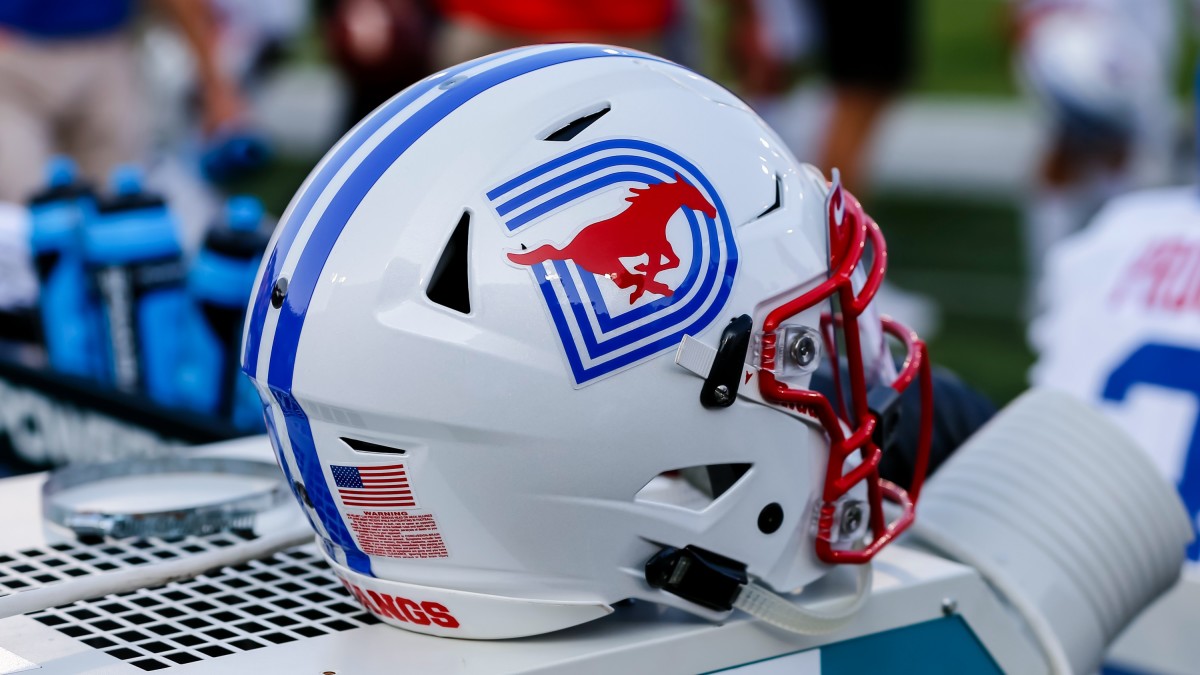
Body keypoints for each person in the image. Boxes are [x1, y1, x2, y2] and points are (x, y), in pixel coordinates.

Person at [1013, 0, 1179, 309]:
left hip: (1130, 66)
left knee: (1128, 170)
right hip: (1067, 56)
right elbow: (1017, 22)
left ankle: (1122, 291)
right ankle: (1051, 295)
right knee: (1062, 167)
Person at [0, 0, 245, 202]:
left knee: (119, 204)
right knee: (26, 211)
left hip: (106, 51)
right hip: (16, 55)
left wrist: (214, 85)